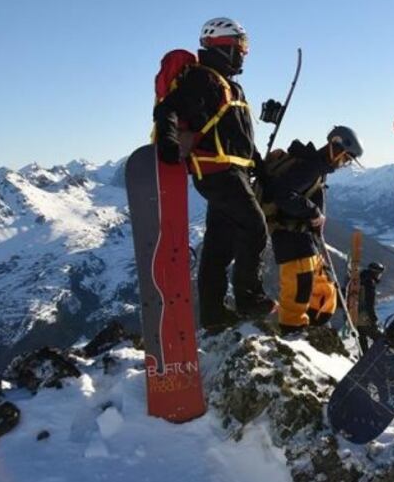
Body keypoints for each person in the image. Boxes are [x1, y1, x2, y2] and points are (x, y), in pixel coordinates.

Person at [152, 17, 273, 329]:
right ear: (223, 46)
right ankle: (249, 298)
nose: (245, 53)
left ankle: (214, 313)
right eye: (241, 47)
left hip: (233, 170)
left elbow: (238, 136)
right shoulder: (204, 80)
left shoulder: (228, 85)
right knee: (254, 226)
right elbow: (169, 109)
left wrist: (257, 164)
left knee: (220, 245)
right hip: (219, 172)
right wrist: (167, 140)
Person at [264, 127, 363, 333]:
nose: (343, 164)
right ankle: (292, 329)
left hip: (301, 237)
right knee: (300, 287)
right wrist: (314, 212)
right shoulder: (310, 168)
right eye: (345, 159)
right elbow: (283, 195)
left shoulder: (314, 167)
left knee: (319, 286)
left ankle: (308, 322)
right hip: (292, 237)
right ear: (337, 148)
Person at [355, 261, 385, 352]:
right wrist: (374, 318)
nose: (380, 276)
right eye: (379, 273)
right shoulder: (369, 283)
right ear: (375, 273)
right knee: (379, 339)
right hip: (364, 316)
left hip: (354, 313)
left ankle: (364, 357)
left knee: (362, 337)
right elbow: (369, 304)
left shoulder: (360, 279)